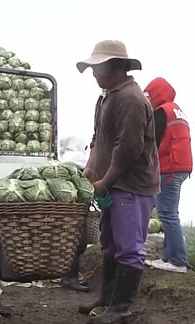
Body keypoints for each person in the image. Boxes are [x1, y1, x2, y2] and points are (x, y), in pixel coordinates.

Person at [75, 40, 160, 324]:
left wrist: (106, 180)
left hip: (131, 186)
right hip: (111, 185)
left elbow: (129, 149)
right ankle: (107, 298)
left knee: (129, 247)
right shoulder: (106, 96)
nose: (93, 73)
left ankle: (121, 308)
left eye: (97, 67)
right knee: (109, 243)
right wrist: (90, 169)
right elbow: (98, 138)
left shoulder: (131, 99)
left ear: (116, 67)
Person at [143, 77, 192, 273]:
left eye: (149, 95)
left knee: (168, 214)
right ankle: (168, 257)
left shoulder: (162, 112)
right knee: (169, 212)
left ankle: (178, 260)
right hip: (181, 166)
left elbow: (152, 142)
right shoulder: (176, 110)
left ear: (156, 94)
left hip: (170, 167)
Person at [59, 136, 90, 293]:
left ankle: (69, 277)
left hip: (67, 210)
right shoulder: (78, 159)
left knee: (70, 242)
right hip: (75, 210)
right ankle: (70, 278)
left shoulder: (65, 159)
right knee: (77, 242)